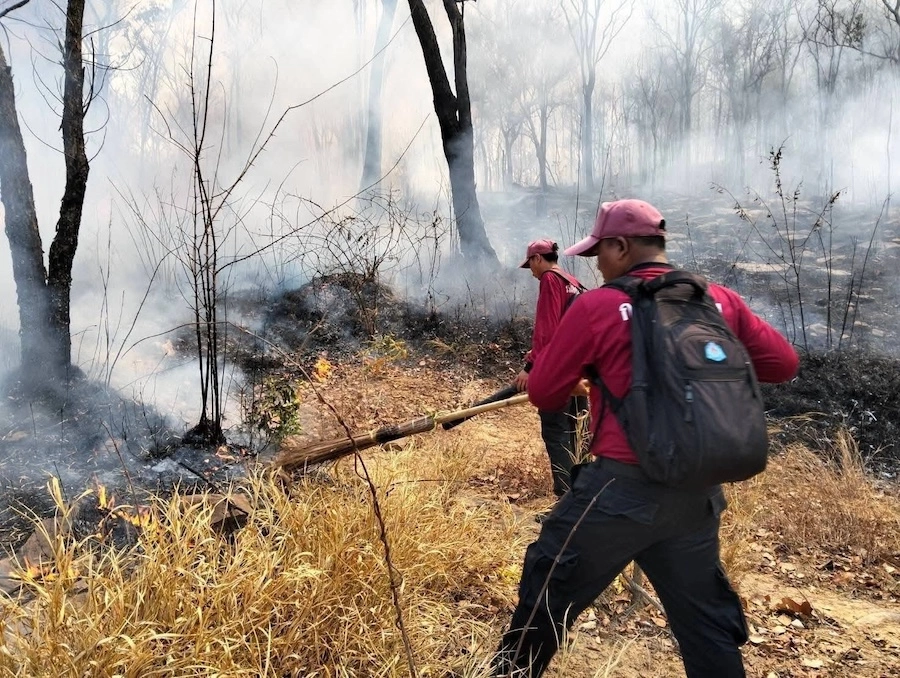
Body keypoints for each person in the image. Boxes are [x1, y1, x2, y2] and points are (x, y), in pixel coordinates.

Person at [493, 200, 799, 678]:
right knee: (706, 628)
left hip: (619, 492)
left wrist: (597, 370)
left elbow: (547, 392)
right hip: (694, 499)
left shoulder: (599, 304)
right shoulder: (716, 299)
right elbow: (783, 364)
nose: (595, 263)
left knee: (545, 592)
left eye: (599, 252)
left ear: (621, 245)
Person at [515, 239, 589, 500]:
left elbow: (546, 330)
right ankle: (585, 496)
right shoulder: (574, 282)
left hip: (559, 373)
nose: (532, 273)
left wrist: (530, 367)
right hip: (581, 371)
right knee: (579, 431)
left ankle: (565, 503)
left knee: (556, 432)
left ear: (537, 258)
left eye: (530, 266)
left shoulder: (549, 279)